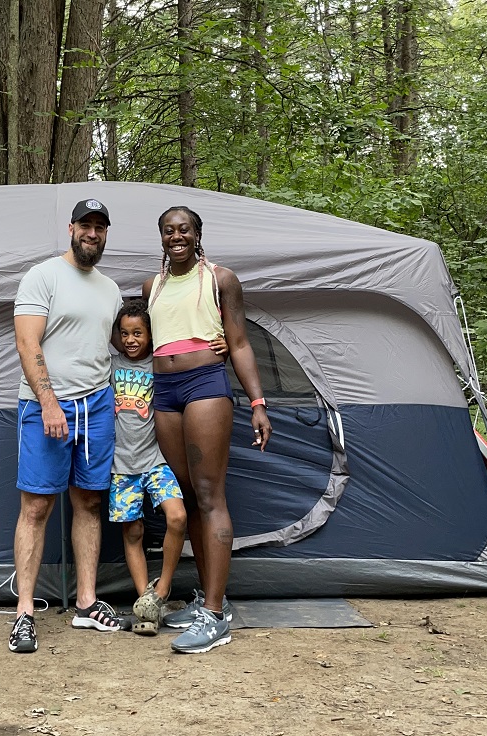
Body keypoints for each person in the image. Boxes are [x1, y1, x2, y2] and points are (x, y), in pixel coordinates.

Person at [141, 205, 273, 654]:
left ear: (198, 235)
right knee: (188, 493)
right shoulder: (151, 286)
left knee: (210, 493)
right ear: (160, 237)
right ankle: (207, 598)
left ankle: (215, 616)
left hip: (205, 386)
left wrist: (257, 403)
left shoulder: (220, 278)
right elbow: (139, 341)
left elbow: (237, 342)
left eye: (184, 229)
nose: (176, 236)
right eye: (168, 231)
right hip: (164, 390)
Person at [8, 198, 124, 654]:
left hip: (97, 406)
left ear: (105, 233)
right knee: (36, 507)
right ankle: (24, 613)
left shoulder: (110, 289)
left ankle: (87, 603)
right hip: (45, 407)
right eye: (86, 225)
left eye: (101, 227)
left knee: (90, 502)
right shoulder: (42, 277)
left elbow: (117, 343)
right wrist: (50, 402)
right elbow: (26, 341)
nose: (92, 234)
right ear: (71, 228)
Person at [109, 300, 187, 636]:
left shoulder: (160, 366)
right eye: (124, 333)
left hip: (155, 460)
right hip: (121, 466)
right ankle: (145, 603)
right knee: (133, 532)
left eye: (137, 333)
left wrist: (222, 345)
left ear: (151, 335)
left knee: (178, 517)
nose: (130, 339)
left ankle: (161, 590)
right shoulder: (109, 364)